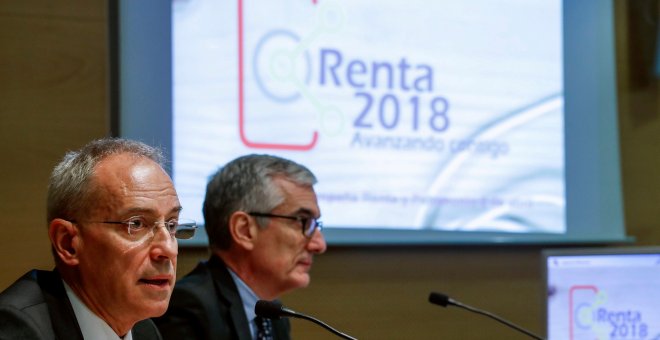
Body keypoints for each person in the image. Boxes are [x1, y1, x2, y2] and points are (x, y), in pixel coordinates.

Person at [0, 138, 197, 340]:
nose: (168, 250)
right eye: (136, 224)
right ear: (68, 243)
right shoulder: (15, 330)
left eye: (171, 225)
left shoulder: (144, 332)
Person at [154, 154, 327, 340]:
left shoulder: (273, 315)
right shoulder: (189, 309)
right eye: (303, 221)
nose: (319, 245)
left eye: (315, 224)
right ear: (244, 230)